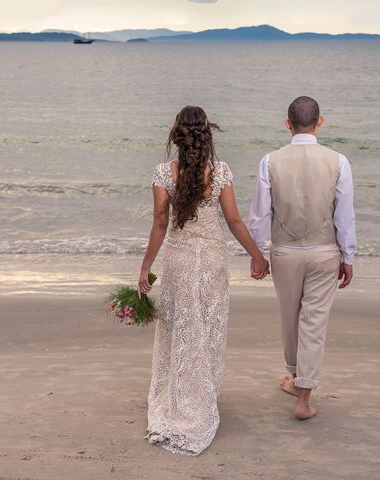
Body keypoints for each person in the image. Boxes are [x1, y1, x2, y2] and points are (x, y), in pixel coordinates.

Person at [137, 106, 269, 456]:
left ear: (176, 136)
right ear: (206, 135)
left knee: (179, 329)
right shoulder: (221, 172)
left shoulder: (164, 174)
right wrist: (257, 256)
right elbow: (235, 221)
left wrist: (145, 267)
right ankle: (201, 399)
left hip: (179, 262)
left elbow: (160, 224)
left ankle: (180, 400)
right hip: (211, 262)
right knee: (207, 327)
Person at [248, 96, 356, 420]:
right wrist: (347, 256)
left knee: (290, 318)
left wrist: (257, 254)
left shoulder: (270, 161)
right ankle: (303, 395)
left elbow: (259, 215)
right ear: (320, 121)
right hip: (325, 252)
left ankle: (298, 380)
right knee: (313, 322)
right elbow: (345, 216)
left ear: (287, 123)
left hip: (285, 252)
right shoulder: (339, 161)